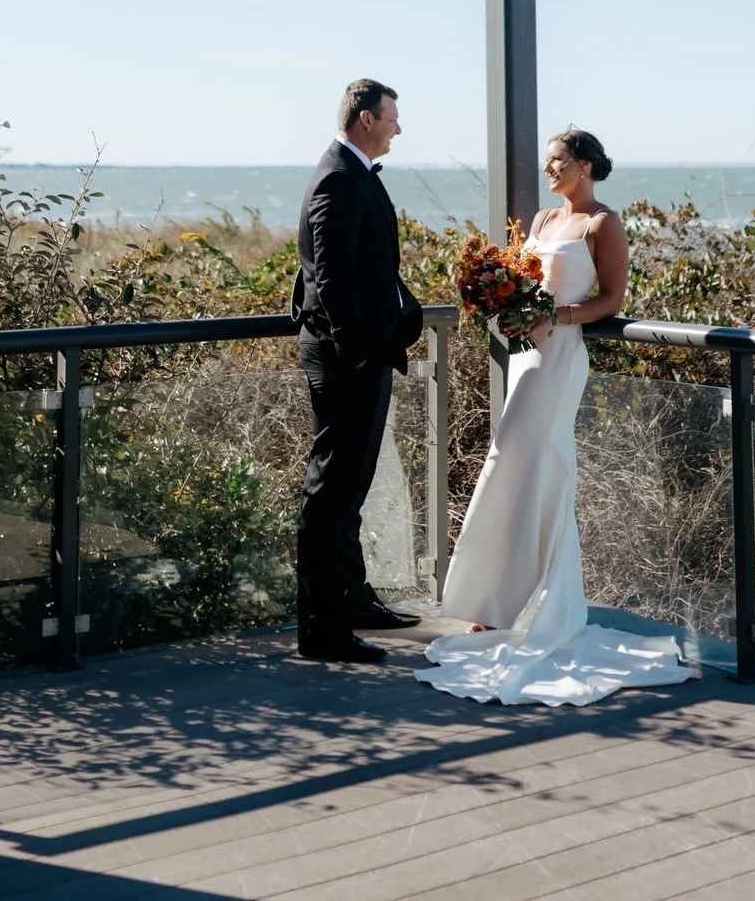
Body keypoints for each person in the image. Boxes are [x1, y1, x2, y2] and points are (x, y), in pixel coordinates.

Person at [417, 127, 691, 706]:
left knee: (542, 469)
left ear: (584, 165)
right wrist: (503, 301)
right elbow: (523, 283)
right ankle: (497, 601)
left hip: (561, 357)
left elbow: (611, 300)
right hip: (526, 355)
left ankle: (540, 608)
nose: (549, 169)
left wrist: (558, 317)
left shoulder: (603, 225)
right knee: (510, 466)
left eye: (558, 160)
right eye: (548, 161)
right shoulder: (542, 221)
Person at [290, 78, 424, 663]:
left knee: (349, 490)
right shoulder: (339, 179)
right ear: (366, 119)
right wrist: (358, 351)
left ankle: (353, 601)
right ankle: (322, 631)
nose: (398, 127)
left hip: (362, 354)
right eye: (392, 118)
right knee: (330, 492)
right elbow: (329, 275)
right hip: (348, 359)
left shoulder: (353, 173)